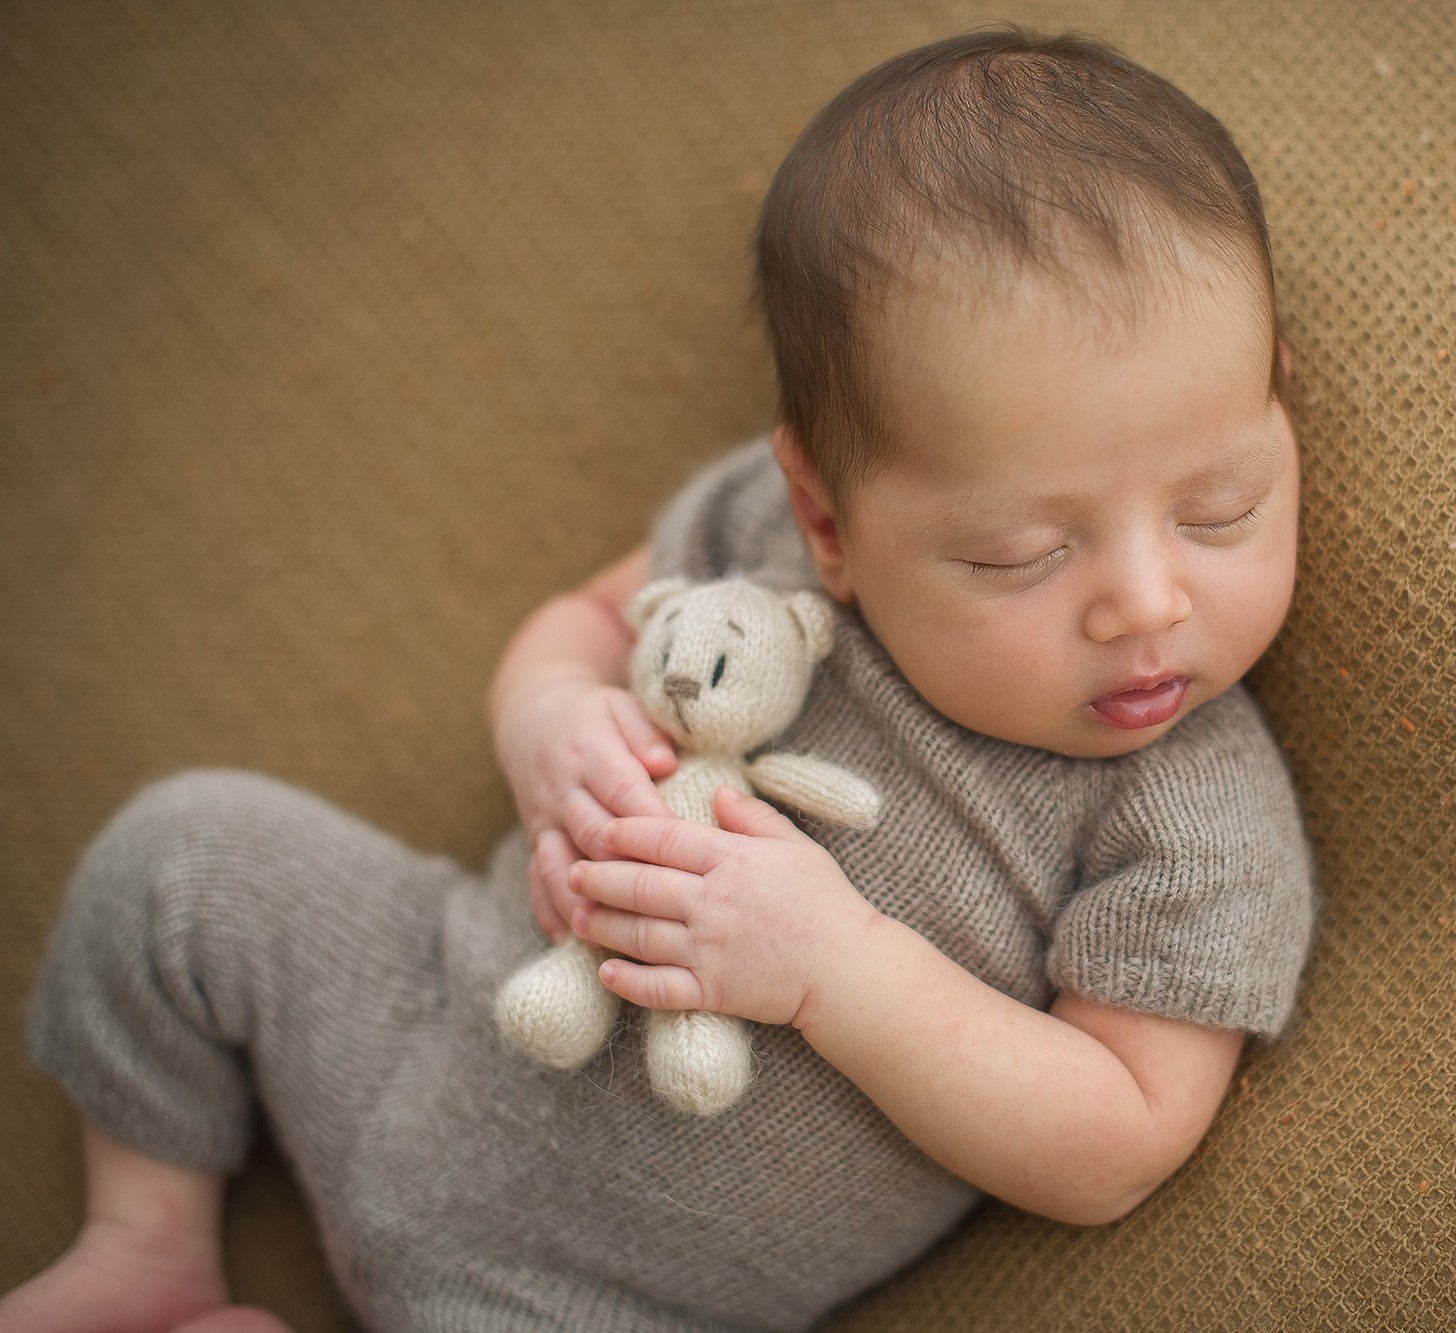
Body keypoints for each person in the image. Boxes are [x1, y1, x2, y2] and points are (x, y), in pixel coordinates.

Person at [4, 26, 1315, 1333]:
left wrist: (836, 967)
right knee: (184, 855)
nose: (1149, 601)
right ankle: (146, 1241)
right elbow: (582, 621)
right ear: (828, 519)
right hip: (420, 1002)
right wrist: (549, 718)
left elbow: (1118, 1137)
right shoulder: (759, 527)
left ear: (1279, 410)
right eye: (1017, 554)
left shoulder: (1192, 815)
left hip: (606, 1295)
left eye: (1222, 509)